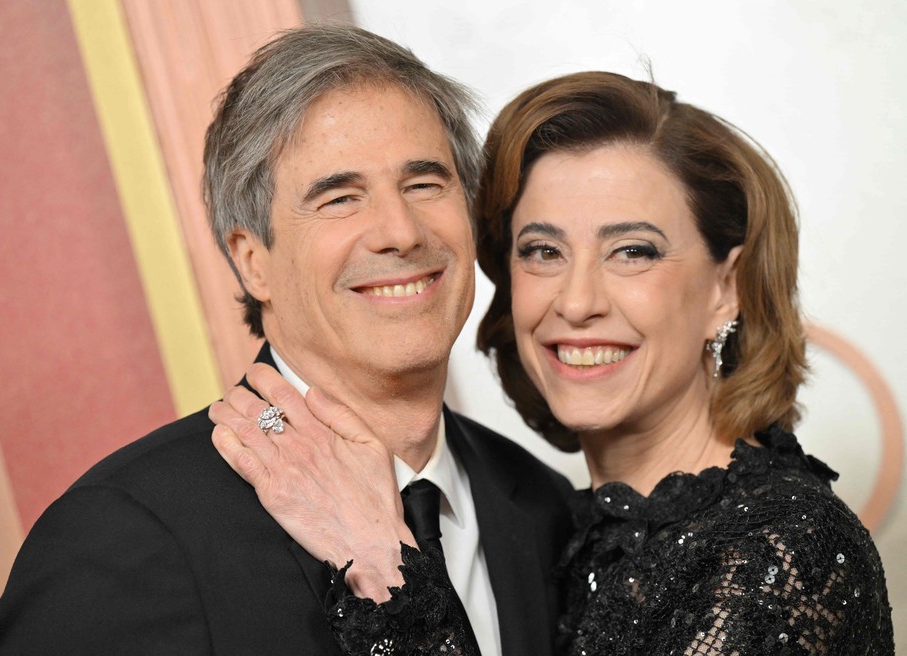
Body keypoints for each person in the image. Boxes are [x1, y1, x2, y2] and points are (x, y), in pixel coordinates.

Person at [210, 72, 895, 654]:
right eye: (542, 251)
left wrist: (383, 566)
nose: (577, 302)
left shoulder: (782, 547)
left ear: (725, 289)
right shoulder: (563, 529)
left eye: (633, 251)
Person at [0, 24, 573, 655]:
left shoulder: (546, 507)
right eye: (339, 198)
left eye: (424, 184)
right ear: (251, 260)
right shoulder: (123, 536)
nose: (400, 231)